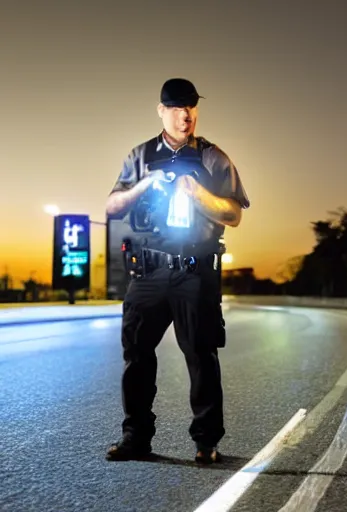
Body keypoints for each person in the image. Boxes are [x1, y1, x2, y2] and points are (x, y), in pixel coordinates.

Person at [104, 78, 250, 464]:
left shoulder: (213, 157)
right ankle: (136, 438)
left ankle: (206, 442)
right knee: (136, 353)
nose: (185, 116)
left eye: (191, 108)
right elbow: (112, 206)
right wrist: (144, 186)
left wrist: (197, 194)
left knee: (201, 356)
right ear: (161, 110)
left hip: (194, 270)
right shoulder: (140, 155)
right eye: (177, 108)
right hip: (148, 271)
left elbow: (234, 214)